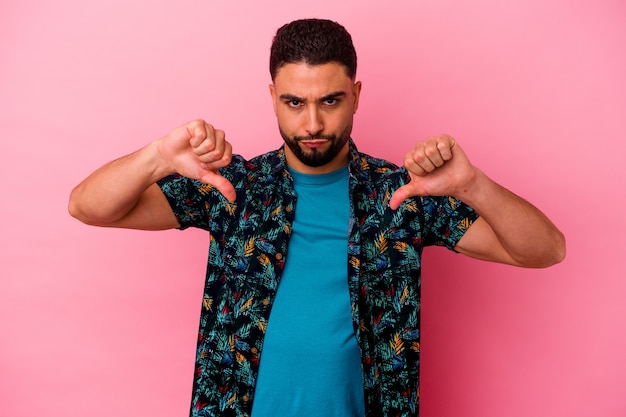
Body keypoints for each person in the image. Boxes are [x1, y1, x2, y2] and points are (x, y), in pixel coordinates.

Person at [68, 18, 565, 417]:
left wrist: (472, 185)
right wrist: (156, 156)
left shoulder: (403, 195)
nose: (312, 123)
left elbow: (545, 250)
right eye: (294, 102)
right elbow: (87, 206)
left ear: (356, 93)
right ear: (272, 99)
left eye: (330, 100)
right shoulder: (232, 188)